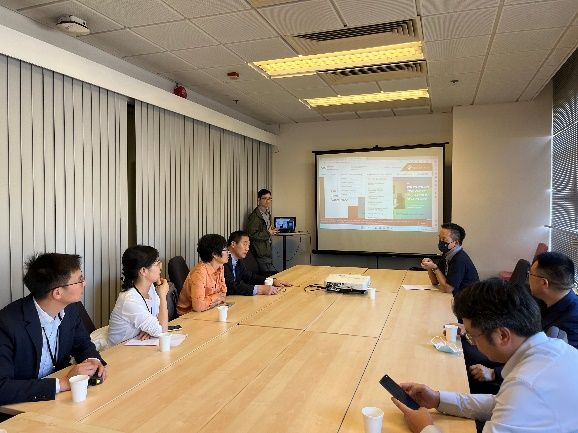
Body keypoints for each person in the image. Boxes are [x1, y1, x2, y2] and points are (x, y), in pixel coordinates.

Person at [391, 278, 578, 433]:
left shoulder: (526, 384)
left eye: (472, 336)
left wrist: (425, 428)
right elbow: (502, 403)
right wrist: (438, 399)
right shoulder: (556, 349)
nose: (473, 343)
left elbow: (517, 398)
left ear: (502, 335)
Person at [0, 253, 107, 405]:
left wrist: (93, 361)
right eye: (79, 280)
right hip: (22, 404)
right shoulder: (7, 323)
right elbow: (2, 387)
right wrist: (63, 383)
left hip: (58, 398)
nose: (84, 283)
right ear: (57, 293)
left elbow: (82, 344)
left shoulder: (70, 308)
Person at [470, 251, 578, 383]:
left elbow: (551, 367)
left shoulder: (573, 319)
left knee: (468, 355)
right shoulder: (542, 299)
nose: (527, 279)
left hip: (524, 374)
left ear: (544, 283)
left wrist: (494, 374)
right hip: (516, 352)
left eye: (530, 274)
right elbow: (510, 318)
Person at [107, 245, 169, 345]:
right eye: (157, 263)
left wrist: (151, 330)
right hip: (119, 350)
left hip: (138, 345)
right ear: (143, 271)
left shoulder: (150, 288)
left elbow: (160, 321)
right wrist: (163, 296)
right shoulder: (130, 300)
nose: (161, 266)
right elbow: (162, 331)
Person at [224, 230, 292, 296]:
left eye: (248, 245)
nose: (247, 249)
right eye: (244, 244)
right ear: (233, 244)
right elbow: (230, 286)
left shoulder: (238, 260)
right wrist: (259, 289)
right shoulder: (223, 261)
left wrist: (271, 281)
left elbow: (249, 277)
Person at [420, 223, 479, 296]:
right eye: (439, 238)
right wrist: (429, 267)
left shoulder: (459, 260)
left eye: (444, 239)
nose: (440, 241)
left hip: (466, 300)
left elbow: (448, 289)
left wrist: (435, 267)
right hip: (454, 296)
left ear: (456, 243)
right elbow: (435, 282)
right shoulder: (447, 254)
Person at [177, 234, 228, 314]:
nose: (228, 252)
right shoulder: (199, 272)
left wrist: (211, 300)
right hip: (189, 315)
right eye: (225, 250)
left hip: (208, 310)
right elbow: (198, 306)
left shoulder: (220, 267)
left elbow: (223, 294)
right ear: (214, 254)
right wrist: (217, 297)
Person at [247, 188, 278, 275]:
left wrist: (270, 230)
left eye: (269, 198)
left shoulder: (267, 213)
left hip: (266, 249)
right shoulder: (255, 216)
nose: (267, 201)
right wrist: (268, 233)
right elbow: (251, 234)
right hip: (259, 252)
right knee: (266, 276)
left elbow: (263, 229)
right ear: (259, 199)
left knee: (270, 275)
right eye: (264, 198)